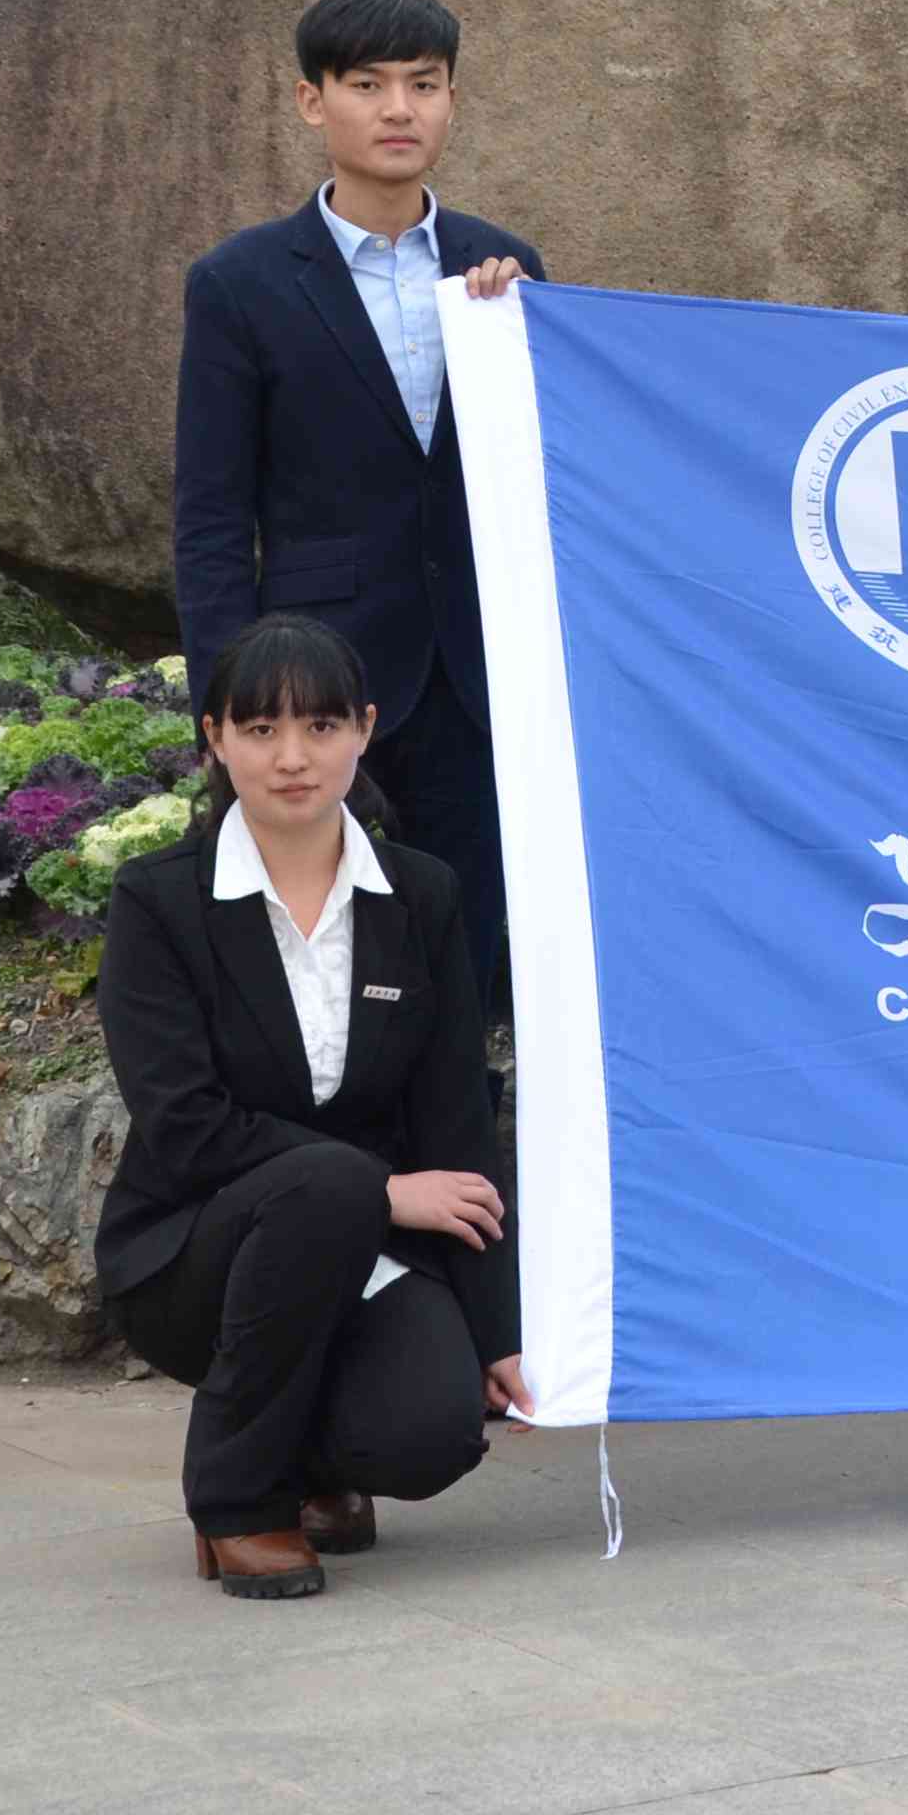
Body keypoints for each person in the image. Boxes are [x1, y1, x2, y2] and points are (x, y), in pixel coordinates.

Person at [96, 613, 526, 1597]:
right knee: (330, 1182)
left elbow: (455, 1122)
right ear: (215, 737)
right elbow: (185, 1122)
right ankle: (238, 1502)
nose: (292, 758)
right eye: (260, 730)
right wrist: (382, 1191)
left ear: (364, 729)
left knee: (432, 1435)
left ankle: (309, 1461)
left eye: (321, 727)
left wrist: (497, 1330)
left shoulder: (422, 895)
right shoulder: (160, 902)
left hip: (363, 1251)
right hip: (194, 1253)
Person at [174, 0, 540, 998]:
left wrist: (524, 333)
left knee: (470, 930)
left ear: (453, 98)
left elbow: (543, 476)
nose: (398, 109)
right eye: (367, 85)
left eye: (424, 83)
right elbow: (210, 517)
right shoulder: (240, 283)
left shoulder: (504, 269)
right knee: (328, 941)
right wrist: (230, 707)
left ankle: (463, 1095)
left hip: (478, 666)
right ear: (312, 101)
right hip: (320, 674)